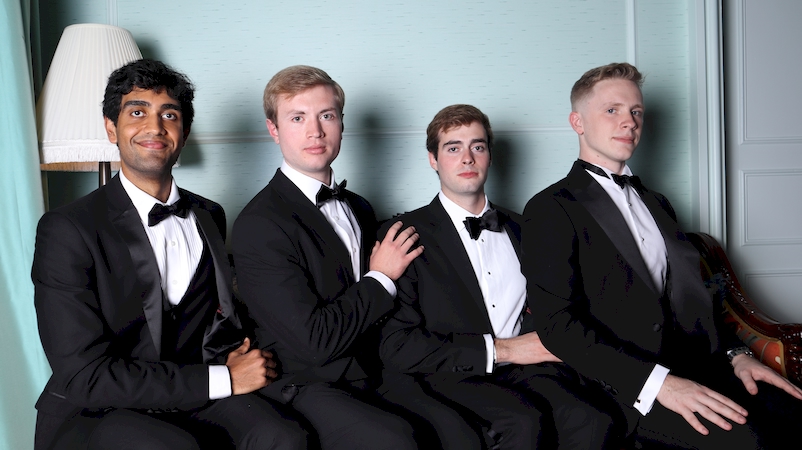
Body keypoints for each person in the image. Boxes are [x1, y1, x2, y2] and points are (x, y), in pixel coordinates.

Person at [522, 62, 802, 449]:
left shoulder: (657, 203)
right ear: (577, 122)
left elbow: (692, 297)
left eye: (636, 111)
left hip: (699, 365)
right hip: (624, 385)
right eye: (612, 110)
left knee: (795, 415)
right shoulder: (550, 207)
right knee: (749, 443)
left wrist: (738, 355)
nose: (629, 122)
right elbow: (558, 326)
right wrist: (659, 385)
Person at [31, 59, 308, 450]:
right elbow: (84, 376)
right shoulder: (67, 229)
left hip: (191, 393)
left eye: (169, 114)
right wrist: (224, 379)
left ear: (184, 132)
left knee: (284, 436)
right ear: (110, 128)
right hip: (100, 408)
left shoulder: (210, 214)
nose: (155, 127)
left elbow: (214, 316)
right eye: (137, 112)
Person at [378, 104, 621, 449]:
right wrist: (502, 350)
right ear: (433, 159)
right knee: (523, 422)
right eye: (453, 148)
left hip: (528, 370)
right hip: (448, 373)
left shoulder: (526, 229)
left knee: (594, 419)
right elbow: (397, 345)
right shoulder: (403, 234)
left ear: (490, 156)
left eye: (477, 146)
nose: (467, 158)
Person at [232, 65, 424, 450]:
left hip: (373, 368)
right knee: (394, 440)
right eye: (297, 118)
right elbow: (313, 342)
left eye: (327, 116)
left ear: (341, 123)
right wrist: (381, 278)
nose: (315, 131)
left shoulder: (360, 207)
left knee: (455, 430)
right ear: (273, 129)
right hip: (305, 382)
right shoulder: (259, 223)